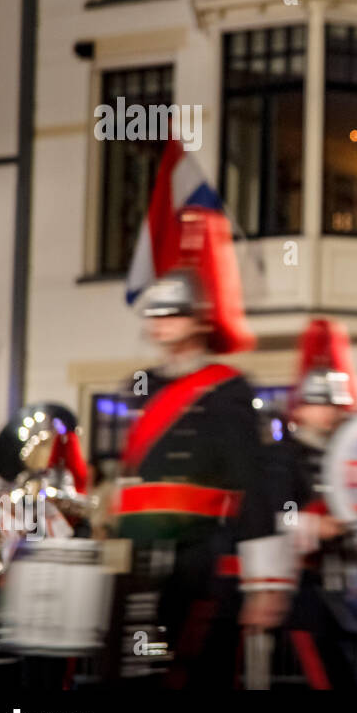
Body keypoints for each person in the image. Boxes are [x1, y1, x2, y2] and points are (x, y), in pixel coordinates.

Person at [112, 207, 288, 688]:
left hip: (205, 557)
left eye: (174, 312)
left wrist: (263, 582)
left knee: (194, 672)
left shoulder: (228, 390)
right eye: (156, 313)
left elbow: (252, 483)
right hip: (143, 553)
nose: (163, 322)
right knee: (137, 671)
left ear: (197, 321)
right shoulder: (141, 387)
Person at [246, 318, 357, 689]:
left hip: (344, 582)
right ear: (301, 408)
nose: (330, 413)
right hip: (301, 585)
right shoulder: (283, 457)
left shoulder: (347, 455)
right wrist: (317, 525)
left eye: (335, 405)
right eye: (321, 404)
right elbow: (271, 517)